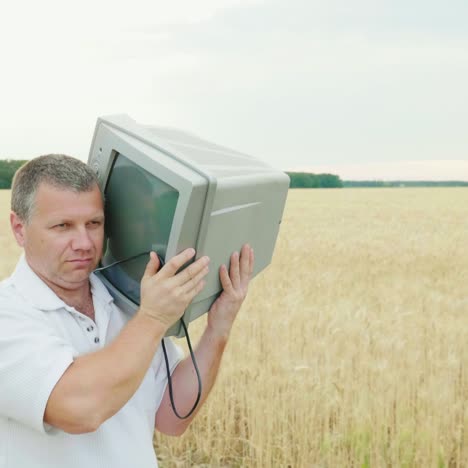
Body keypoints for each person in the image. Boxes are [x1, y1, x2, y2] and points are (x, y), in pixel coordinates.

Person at [0, 154, 254, 468]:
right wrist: (153, 318)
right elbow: (80, 408)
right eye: (62, 226)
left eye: (93, 223)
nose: (84, 242)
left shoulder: (124, 299)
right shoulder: (8, 314)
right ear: (19, 228)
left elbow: (172, 417)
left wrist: (219, 326)